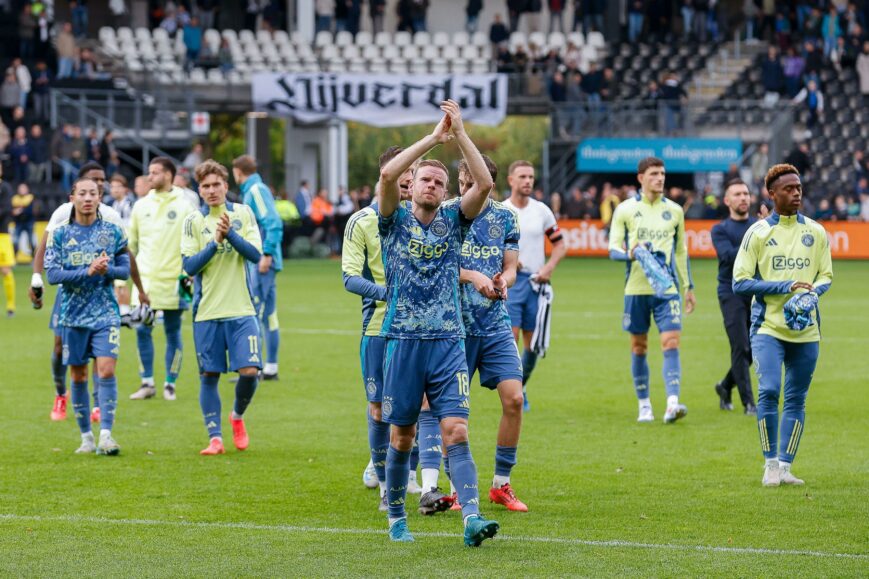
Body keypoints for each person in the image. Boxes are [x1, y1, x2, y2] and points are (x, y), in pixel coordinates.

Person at [377, 100, 499, 545]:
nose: (431, 185)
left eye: (440, 181)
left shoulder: (453, 219)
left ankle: (471, 517)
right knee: (404, 436)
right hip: (404, 341)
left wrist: (461, 134)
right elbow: (389, 175)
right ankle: (395, 516)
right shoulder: (391, 222)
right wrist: (433, 138)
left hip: (448, 340)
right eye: (426, 179)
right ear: (414, 188)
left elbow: (484, 183)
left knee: (457, 430)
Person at [733, 164, 833, 487]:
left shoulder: (816, 232)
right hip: (768, 329)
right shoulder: (758, 233)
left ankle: (786, 466)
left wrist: (810, 295)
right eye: (788, 189)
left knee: (796, 399)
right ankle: (770, 463)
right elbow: (740, 283)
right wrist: (784, 286)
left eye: (799, 188)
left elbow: (826, 276)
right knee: (770, 389)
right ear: (772, 194)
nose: (796, 193)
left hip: (807, 331)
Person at [31, 162, 144, 423]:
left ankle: (96, 403)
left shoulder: (111, 218)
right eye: (93, 180)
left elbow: (126, 257)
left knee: (101, 355)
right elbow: (44, 246)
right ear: (78, 190)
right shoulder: (63, 213)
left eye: (101, 181)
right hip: (68, 294)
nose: (99, 184)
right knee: (59, 348)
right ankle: (61, 394)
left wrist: (139, 288)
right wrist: (36, 279)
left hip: (100, 297)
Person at [342, 145, 417, 510]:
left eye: (412, 171)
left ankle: (412, 472)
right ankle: (386, 478)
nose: (407, 178)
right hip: (378, 325)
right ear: (386, 174)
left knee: (418, 405)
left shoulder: (424, 218)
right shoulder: (361, 221)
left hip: (419, 327)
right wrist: (387, 291)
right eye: (401, 171)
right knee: (378, 409)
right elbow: (349, 278)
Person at [456, 154, 528, 512]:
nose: (466, 190)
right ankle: (452, 487)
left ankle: (501, 483)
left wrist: (503, 279)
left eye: (473, 184)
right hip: (453, 325)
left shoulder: (505, 218)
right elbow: (434, 269)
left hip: (495, 322)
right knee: (451, 410)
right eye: (463, 183)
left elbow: (511, 267)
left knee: (514, 399)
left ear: (489, 184)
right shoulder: (446, 214)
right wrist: (472, 276)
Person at [181, 160, 263, 455]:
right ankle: (215, 437)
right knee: (209, 376)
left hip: (242, 309)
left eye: (217, 185)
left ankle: (237, 416)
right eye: (205, 186)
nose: (212, 190)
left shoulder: (242, 213)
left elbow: (255, 254)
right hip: (207, 312)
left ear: (226, 186)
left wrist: (231, 235)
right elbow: (189, 265)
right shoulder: (193, 221)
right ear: (199, 190)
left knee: (250, 371)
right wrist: (215, 242)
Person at [44, 176, 130, 455]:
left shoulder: (113, 231)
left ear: (99, 198)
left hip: (105, 312)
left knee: (106, 369)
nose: (88, 198)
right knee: (79, 375)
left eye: (93, 193)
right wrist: (88, 272)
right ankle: (86, 438)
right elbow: (54, 275)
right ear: (73, 198)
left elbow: (125, 268)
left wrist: (109, 271)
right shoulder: (59, 234)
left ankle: (106, 435)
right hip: (72, 315)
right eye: (82, 193)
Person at [608, 157, 696, 423]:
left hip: (667, 289)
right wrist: (632, 254)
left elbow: (681, 251)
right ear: (641, 178)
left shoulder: (675, 211)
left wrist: (688, 286)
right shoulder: (624, 209)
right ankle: (644, 404)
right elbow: (613, 250)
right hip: (636, 289)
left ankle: (672, 403)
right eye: (655, 174)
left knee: (671, 342)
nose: (660, 178)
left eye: (663, 174)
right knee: (639, 346)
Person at [128, 157, 197, 401]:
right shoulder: (140, 206)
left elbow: (193, 244)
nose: (150, 177)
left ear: (168, 175)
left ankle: (171, 382)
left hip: (176, 282)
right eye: (149, 172)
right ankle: (147, 382)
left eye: (155, 172)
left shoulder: (186, 205)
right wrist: (121, 284)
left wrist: (189, 277)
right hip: (145, 283)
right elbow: (130, 247)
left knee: (173, 331)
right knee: (142, 331)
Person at [503, 161, 567, 412]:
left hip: (536, 283)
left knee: (532, 344)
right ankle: (514, 394)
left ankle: (521, 386)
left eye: (531, 176)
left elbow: (560, 245)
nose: (528, 181)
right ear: (511, 180)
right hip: (511, 284)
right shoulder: (501, 210)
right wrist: (507, 262)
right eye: (522, 176)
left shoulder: (542, 211)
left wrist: (548, 268)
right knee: (512, 339)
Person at [232, 155, 283, 380]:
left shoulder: (255, 190)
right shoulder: (255, 189)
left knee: (254, 314)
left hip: (261, 261)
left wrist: (267, 253)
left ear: (238, 171)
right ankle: (270, 367)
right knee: (269, 316)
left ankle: (254, 368)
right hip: (264, 260)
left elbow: (273, 222)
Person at [711, 179, 758, 415]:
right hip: (730, 291)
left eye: (746, 193)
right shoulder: (720, 230)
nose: (743, 198)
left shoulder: (759, 225)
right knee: (740, 345)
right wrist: (757, 234)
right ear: (727, 201)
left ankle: (725, 385)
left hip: (756, 292)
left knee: (753, 349)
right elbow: (728, 256)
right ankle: (749, 403)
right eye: (737, 194)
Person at [0, 168, 14, 317]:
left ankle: (10, 306)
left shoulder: (5, 188)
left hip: (2, 234)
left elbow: (5, 209)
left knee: (5, 270)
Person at [12, 182, 35, 254]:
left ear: (27, 189)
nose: (22, 190)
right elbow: (12, 210)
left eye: (23, 188)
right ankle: (14, 259)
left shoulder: (31, 198)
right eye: (20, 188)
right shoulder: (15, 198)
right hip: (18, 223)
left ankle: (34, 258)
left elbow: (31, 210)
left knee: (31, 241)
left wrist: (21, 210)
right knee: (15, 241)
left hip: (29, 222)